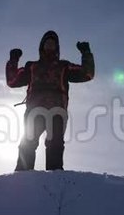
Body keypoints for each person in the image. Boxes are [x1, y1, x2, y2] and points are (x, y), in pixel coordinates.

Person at [5, 30, 95, 171]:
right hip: (34, 110)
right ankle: (22, 174)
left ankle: (54, 175)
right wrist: (13, 60)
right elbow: (12, 81)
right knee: (28, 141)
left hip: (57, 110)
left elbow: (87, 74)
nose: (50, 45)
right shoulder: (32, 66)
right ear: (42, 46)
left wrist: (86, 53)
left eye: (53, 43)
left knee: (55, 143)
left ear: (57, 47)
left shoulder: (64, 66)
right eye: (47, 42)